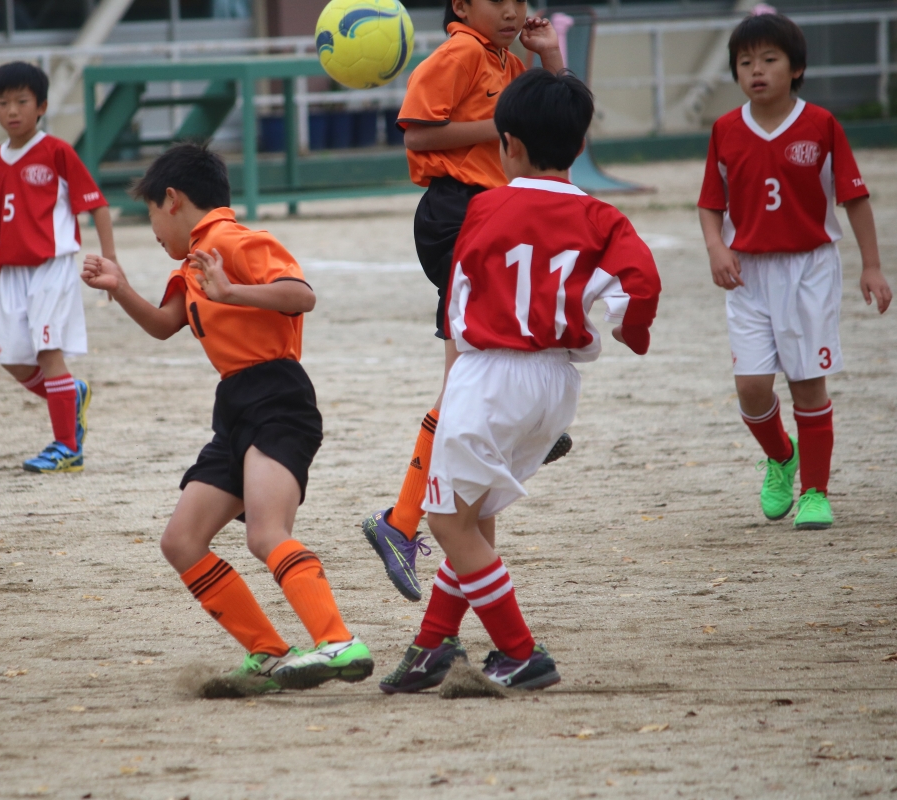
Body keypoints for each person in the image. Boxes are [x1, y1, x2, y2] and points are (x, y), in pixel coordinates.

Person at [380, 69, 662, 693]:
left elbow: (458, 298)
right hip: (556, 383)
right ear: (580, 145)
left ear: (507, 144)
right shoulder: (601, 215)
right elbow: (640, 283)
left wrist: (462, 370)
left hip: (492, 376)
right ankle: (432, 646)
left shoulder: (485, 206)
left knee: (447, 522)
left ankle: (521, 651)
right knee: (474, 518)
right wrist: (629, 329)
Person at [80, 144, 372, 693]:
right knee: (181, 541)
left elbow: (301, 296)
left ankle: (338, 641)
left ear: (172, 199)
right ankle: (269, 653)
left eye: (150, 214)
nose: (153, 231)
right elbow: (164, 325)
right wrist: (120, 287)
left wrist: (232, 290)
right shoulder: (192, 265)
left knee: (266, 533)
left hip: (279, 400)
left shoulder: (233, 242)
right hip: (234, 407)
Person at [363, 0, 571, 603]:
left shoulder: (507, 60)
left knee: (476, 371)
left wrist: (551, 58)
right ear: (460, 5)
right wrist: (500, 124)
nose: (511, 10)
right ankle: (404, 519)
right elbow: (419, 133)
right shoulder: (460, 53)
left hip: (493, 216)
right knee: (466, 376)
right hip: (458, 214)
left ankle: (411, 530)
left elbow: (557, 126)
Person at [697, 13, 891, 530]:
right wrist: (716, 247)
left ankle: (815, 493)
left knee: (807, 384)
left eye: (769, 59)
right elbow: (711, 203)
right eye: (745, 62)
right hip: (748, 274)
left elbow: (854, 198)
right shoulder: (725, 129)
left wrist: (872, 266)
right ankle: (782, 456)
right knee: (751, 386)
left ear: (796, 67)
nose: (756, 70)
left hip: (809, 270)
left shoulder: (821, 125)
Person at [0, 61, 117, 474]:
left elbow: (97, 205)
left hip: (51, 267)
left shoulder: (57, 151)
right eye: (3, 103)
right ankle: (71, 394)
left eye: (22, 101)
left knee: (49, 353)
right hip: (11, 272)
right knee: (13, 358)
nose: (12, 110)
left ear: (42, 106)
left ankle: (68, 448)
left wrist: (110, 259)